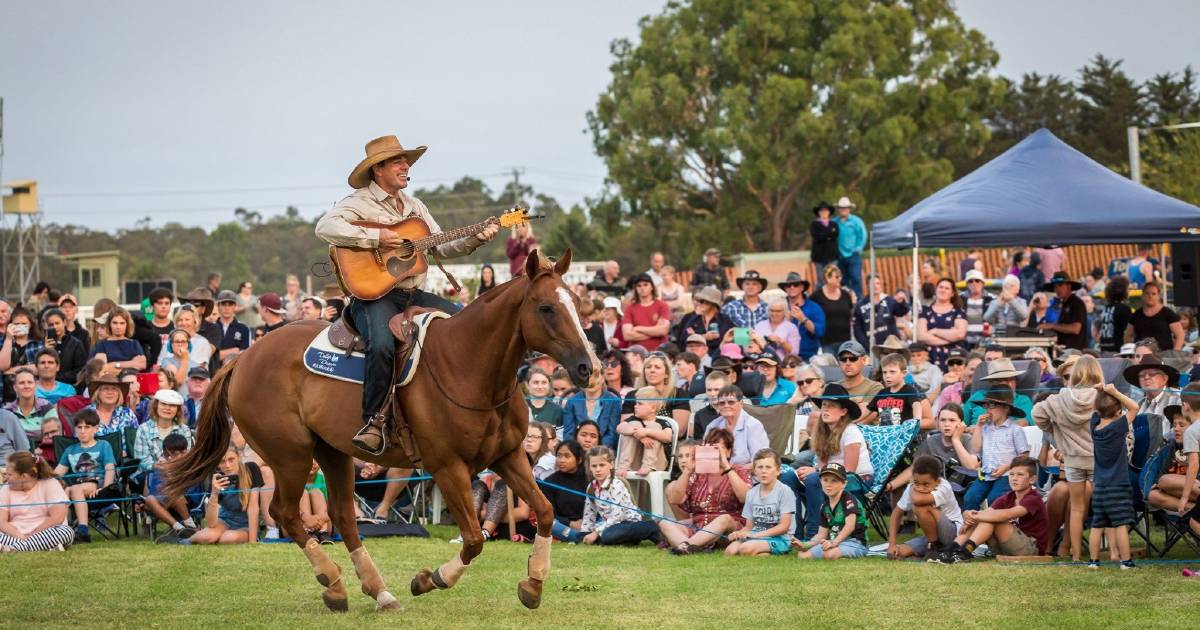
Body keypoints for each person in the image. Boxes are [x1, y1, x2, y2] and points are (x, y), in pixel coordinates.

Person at [316, 135, 499, 454]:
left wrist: (476, 238)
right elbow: (325, 228)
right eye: (399, 162)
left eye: (407, 162)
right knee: (383, 346)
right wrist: (375, 238)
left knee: (463, 323)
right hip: (373, 297)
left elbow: (441, 244)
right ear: (378, 170)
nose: (406, 167)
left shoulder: (415, 207)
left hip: (412, 295)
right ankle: (372, 422)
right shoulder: (358, 202)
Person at [1031, 355, 1103, 561]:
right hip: (1078, 466)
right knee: (1059, 491)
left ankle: (1068, 547)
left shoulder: (1057, 402)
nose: (1069, 380)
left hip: (1083, 464)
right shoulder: (1102, 396)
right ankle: (1049, 543)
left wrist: (1061, 438)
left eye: (1073, 375)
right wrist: (1058, 435)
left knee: (1076, 497)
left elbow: (1037, 414)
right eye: (1065, 377)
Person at [932, 456, 1049, 562]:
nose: (1014, 478)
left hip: (1031, 549)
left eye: (1020, 475)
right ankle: (952, 549)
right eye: (1011, 474)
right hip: (1006, 546)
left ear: (1032, 479)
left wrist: (975, 515)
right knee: (984, 517)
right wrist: (969, 515)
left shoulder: (1034, 498)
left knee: (993, 519)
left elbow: (1010, 514)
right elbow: (987, 513)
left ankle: (965, 552)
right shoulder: (1008, 497)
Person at [795, 383, 874, 537]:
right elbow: (823, 465)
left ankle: (815, 533)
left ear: (843, 411)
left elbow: (849, 470)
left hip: (858, 479)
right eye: (824, 405)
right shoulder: (823, 432)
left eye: (831, 406)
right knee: (789, 477)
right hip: (832, 476)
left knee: (813, 479)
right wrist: (817, 470)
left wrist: (817, 472)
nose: (825, 409)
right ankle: (796, 533)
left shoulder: (851, 432)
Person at [660, 431, 752, 554]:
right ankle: (693, 547)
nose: (715, 453)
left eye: (719, 448)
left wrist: (726, 467)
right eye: (711, 448)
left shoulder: (738, 471)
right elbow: (675, 499)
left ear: (729, 452)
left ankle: (684, 546)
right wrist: (688, 471)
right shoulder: (697, 473)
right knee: (664, 523)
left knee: (724, 519)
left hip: (729, 528)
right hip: (699, 526)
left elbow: (745, 497)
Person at [1087, 383, 1140, 569]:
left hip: (1099, 487)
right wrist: (1113, 391)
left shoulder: (1094, 426)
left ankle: (1093, 562)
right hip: (1118, 485)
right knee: (1120, 525)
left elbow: (1096, 410)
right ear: (1119, 411)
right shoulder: (1119, 427)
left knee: (1097, 525)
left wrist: (1100, 393)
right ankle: (1126, 561)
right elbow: (1135, 407)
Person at [958, 387, 1031, 511]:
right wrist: (979, 426)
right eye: (986, 406)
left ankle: (992, 528)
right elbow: (975, 448)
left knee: (995, 499)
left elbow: (1024, 456)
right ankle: (971, 525)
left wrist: (1005, 467)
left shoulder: (1015, 430)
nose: (987, 410)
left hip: (1006, 475)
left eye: (992, 406)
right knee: (970, 498)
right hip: (986, 475)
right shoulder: (985, 428)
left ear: (1005, 408)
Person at [52, 409, 115, 543]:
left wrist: (106, 488)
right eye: (79, 427)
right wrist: (43, 477)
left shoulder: (103, 445)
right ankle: (64, 530)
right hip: (79, 486)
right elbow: (57, 473)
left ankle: (83, 531)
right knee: (66, 490)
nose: (82, 431)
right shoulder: (70, 450)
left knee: (74, 489)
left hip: (98, 483)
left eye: (87, 427)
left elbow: (110, 468)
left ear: (96, 429)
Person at [574, 446, 658, 546]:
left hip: (626, 522)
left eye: (602, 465)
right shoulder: (591, 487)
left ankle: (652, 527)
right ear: (589, 468)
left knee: (607, 535)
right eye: (594, 466)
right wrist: (585, 533)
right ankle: (626, 541)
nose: (598, 469)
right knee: (579, 537)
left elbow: (617, 516)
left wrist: (596, 533)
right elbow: (589, 514)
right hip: (610, 525)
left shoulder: (616, 485)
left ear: (611, 464)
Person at [887, 403, 976, 496]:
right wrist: (891, 485)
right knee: (911, 495)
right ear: (938, 422)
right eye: (943, 420)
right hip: (932, 490)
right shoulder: (931, 441)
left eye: (952, 420)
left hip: (958, 492)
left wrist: (956, 440)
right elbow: (914, 468)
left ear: (961, 423)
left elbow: (971, 467)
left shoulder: (967, 439)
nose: (947, 424)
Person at [886, 455, 963, 559]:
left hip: (953, 534)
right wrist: (892, 544)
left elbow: (918, 500)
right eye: (917, 482)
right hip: (933, 536)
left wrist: (913, 486)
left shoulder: (944, 487)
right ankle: (933, 548)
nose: (921, 488)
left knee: (921, 507)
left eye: (926, 484)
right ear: (913, 478)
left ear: (937, 481)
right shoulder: (912, 486)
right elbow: (897, 513)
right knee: (899, 553)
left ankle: (934, 549)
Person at [723, 448, 795, 557]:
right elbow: (749, 527)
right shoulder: (751, 493)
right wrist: (739, 534)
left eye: (768, 467)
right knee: (730, 551)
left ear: (778, 470)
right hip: (756, 535)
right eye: (760, 467)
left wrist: (757, 535)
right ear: (755, 471)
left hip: (780, 538)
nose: (764, 471)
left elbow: (784, 527)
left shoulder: (785, 491)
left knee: (745, 549)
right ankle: (760, 552)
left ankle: (776, 554)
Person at [184, 447, 261, 545]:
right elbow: (211, 523)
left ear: (239, 457)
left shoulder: (251, 469)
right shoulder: (217, 478)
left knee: (227, 538)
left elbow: (253, 507)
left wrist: (253, 541)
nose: (227, 465)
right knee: (206, 537)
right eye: (222, 461)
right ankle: (184, 540)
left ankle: (216, 537)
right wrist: (214, 493)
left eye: (231, 460)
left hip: (245, 524)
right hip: (224, 520)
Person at [0, 451, 75, 552]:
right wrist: (21, 537)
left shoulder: (50, 483)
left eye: (9, 474)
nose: (6, 478)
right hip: (15, 535)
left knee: (66, 532)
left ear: (24, 476)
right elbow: (1, 522)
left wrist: (33, 535)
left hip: (45, 533)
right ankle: (38, 547)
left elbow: (57, 518)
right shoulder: (6, 488)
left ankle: (15, 548)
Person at [794, 462, 868, 560]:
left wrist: (834, 542)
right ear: (820, 481)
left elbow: (849, 527)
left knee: (829, 554)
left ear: (844, 483)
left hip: (854, 542)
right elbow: (821, 535)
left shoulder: (849, 500)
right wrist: (805, 545)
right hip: (833, 542)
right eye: (825, 480)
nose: (828, 484)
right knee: (802, 556)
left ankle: (844, 556)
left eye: (834, 481)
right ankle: (840, 556)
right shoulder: (824, 506)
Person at [143, 433, 199, 542]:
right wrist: (165, 472)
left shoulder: (192, 466)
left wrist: (171, 473)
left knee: (172, 492)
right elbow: (154, 493)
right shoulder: (161, 468)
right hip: (165, 503)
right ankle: (179, 528)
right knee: (149, 499)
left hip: (187, 501)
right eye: (174, 454)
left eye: (183, 452)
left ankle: (190, 525)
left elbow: (190, 489)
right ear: (166, 454)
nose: (179, 456)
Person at [615, 386, 675, 477]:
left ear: (653, 408)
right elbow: (619, 428)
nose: (635, 406)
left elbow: (668, 437)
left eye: (640, 404)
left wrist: (647, 432)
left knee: (654, 427)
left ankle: (648, 464)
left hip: (657, 463)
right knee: (632, 425)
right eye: (635, 403)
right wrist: (638, 434)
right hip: (634, 463)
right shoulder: (633, 420)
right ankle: (624, 465)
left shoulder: (662, 423)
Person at [702, 385, 768, 466]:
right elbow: (704, 459)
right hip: (717, 474)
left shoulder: (753, 425)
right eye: (722, 403)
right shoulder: (712, 426)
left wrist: (733, 472)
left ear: (741, 403)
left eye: (731, 402)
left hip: (747, 474)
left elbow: (760, 461)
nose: (726, 406)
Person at [132, 389, 193, 477]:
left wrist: (172, 465)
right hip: (149, 474)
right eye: (163, 404)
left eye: (172, 405)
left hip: (177, 474)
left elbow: (186, 457)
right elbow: (142, 461)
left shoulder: (184, 429)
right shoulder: (143, 429)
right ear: (156, 406)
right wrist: (156, 466)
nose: (167, 408)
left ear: (178, 410)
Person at [866, 353, 932, 429]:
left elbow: (917, 405)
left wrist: (915, 422)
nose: (888, 375)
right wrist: (855, 423)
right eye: (884, 372)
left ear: (904, 373)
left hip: (903, 435)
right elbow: (869, 409)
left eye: (892, 372)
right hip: (885, 434)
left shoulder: (910, 389)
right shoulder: (882, 392)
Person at [542, 440, 590, 542]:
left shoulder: (589, 480)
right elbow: (550, 514)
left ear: (579, 459)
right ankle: (582, 538)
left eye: (567, 456)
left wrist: (585, 523)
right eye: (559, 456)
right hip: (563, 526)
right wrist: (570, 523)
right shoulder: (549, 482)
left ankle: (584, 537)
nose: (561, 460)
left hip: (588, 524)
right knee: (550, 524)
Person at [963, 358, 1034, 426]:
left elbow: (1024, 423)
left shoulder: (1023, 400)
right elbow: (962, 421)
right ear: (991, 382)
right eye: (1003, 380)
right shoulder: (978, 396)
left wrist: (982, 428)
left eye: (1012, 379)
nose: (1009, 384)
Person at [917, 278, 967, 370]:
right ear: (936, 290)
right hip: (931, 357)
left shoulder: (958, 312)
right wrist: (950, 338)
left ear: (952, 293)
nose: (943, 290)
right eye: (941, 287)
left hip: (954, 359)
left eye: (947, 288)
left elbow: (960, 334)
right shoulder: (925, 311)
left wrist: (935, 331)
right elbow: (921, 336)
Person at [561, 374, 622, 449]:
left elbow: (612, 435)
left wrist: (595, 451)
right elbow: (568, 434)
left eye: (595, 376)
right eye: (587, 376)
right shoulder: (571, 401)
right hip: (577, 451)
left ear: (603, 378)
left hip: (603, 452)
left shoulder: (614, 402)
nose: (591, 380)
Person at [675, 286, 731, 360]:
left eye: (702, 301)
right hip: (695, 360)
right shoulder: (694, 319)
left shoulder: (724, 319)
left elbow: (738, 337)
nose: (698, 303)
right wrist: (704, 337)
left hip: (718, 359)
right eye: (698, 300)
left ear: (712, 303)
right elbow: (684, 338)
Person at [777, 273, 825, 360]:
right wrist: (787, 321)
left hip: (809, 356)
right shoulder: (778, 307)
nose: (792, 287)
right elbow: (773, 332)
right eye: (788, 285)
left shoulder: (814, 307)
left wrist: (803, 319)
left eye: (795, 285)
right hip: (784, 356)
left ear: (802, 287)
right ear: (785, 288)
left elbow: (819, 331)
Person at [853, 274, 909, 348]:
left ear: (881, 285)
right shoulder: (860, 305)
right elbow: (857, 329)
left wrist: (902, 303)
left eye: (878, 283)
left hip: (892, 345)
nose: (875, 286)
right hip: (873, 348)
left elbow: (901, 312)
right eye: (872, 284)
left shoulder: (889, 300)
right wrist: (866, 345)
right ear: (867, 286)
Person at [1036, 272, 1088, 350]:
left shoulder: (1077, 303)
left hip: (1075, 351)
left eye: (1060, 285)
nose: (1057, 289)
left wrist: (1052, 325)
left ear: (1069, 286)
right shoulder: (1063, 304)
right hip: (1064, 349)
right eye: (1055, 286)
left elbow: (1075, 329)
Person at [622, 273, 672, 351]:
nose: (642, 288)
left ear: (652, 286)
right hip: (636, 353)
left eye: (645, 285)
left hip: (659, 351)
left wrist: (638, 328)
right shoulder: (630, 308)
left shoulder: (662, 305)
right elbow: (627, 335)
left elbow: (663, 331)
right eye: (639, 285)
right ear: (635, 288)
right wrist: (655, 332)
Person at [3, 368, 54, 444]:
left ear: (35, 386)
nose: (26, 386)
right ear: (15, 387)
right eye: (21, 383)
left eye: (30, 382)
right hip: (16, 453)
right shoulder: (6, 411)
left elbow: (54, 435)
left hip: (43, 450)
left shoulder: (47, 407)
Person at [812, 265, 855, 355]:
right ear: (828, 278)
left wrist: (854, 303)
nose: (840, 279)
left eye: (840, 276)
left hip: (845, 341)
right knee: (830, 368)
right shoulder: (817, 296)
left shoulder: (845, 294)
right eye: (836, 277)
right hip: (826, 342)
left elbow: (851, 315)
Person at [1132, 281, 1184, 351]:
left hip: (1164, 355)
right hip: (1141, 356)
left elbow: (1180, 335)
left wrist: (1175, 352)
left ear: (1159, 296)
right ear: (1143, 295)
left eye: (1153, 294)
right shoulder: (1136, 314)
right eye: (1147, 293)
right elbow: (1128, 336)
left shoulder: (1167, 313)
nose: (1150, 296)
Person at [41, 309, 86, 386]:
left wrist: (56, 378)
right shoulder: (43, 344)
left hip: (70, 387)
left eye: (57, 323)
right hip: (46, 387)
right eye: (51, 325)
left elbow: (80, 371)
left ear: (64, 322)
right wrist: (46, 350)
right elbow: (39, 368)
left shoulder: (76, 344)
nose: (55, 327)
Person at [835, 341, 882, 413]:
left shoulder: (875, 387)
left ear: (863, 360)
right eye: (843, 359)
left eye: (853, 358)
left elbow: (867, 415)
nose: (848, 363)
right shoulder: (831, 387)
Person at [834, 196, 867, 297]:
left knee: (855, 278)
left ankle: (858, 301)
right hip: (839, 255)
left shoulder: (856, 221)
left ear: (849, 209)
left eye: (846, 208)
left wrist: (858, 248)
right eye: (841, 208)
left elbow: (863, 235)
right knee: (842, 279)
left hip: (853, 254)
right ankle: (845, 301)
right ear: (838, 209)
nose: (843, 210)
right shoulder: (834, 222)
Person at [1094, 275, 1133, 353]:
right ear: (1123, 290)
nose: (1129, 291)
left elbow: (1095, 331)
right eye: (1128, 289)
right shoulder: (1123, 309)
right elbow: (1129, 332)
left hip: (1104, 350)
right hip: (1118, 352)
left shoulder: (1105, 308)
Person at [214, 290, 251, 366]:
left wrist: (219, 354)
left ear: (235, 306)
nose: (227, 308)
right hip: (213, 372)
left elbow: (245, 356)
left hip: (234, 371)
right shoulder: (211, 327)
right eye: (223, 304)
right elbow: (208, 356)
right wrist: (234, 350)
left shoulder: (244, 329)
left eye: (230, 304)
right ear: (218, 306)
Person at [961, 270, 994, 348]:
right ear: (967, 284)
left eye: (977, 281)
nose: (974, 283)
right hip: (964, 341)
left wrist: (993, 329)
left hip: (986, 341)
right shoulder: (959, 299)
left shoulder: (992, 299)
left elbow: (1000, 319)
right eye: (970, 281)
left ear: (983, 283)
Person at [809, 201, 839, 278]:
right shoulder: (814, 224)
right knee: (821, 279)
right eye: (822, 211)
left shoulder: (834, 224)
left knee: (833, 277)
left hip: (832, 256)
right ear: (818, 212)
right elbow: (816, 237)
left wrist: (823, 234)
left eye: (826, 210)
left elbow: (835, 235)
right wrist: (829, 234)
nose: (824, 212)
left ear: (829, 212)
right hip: (819, 257)